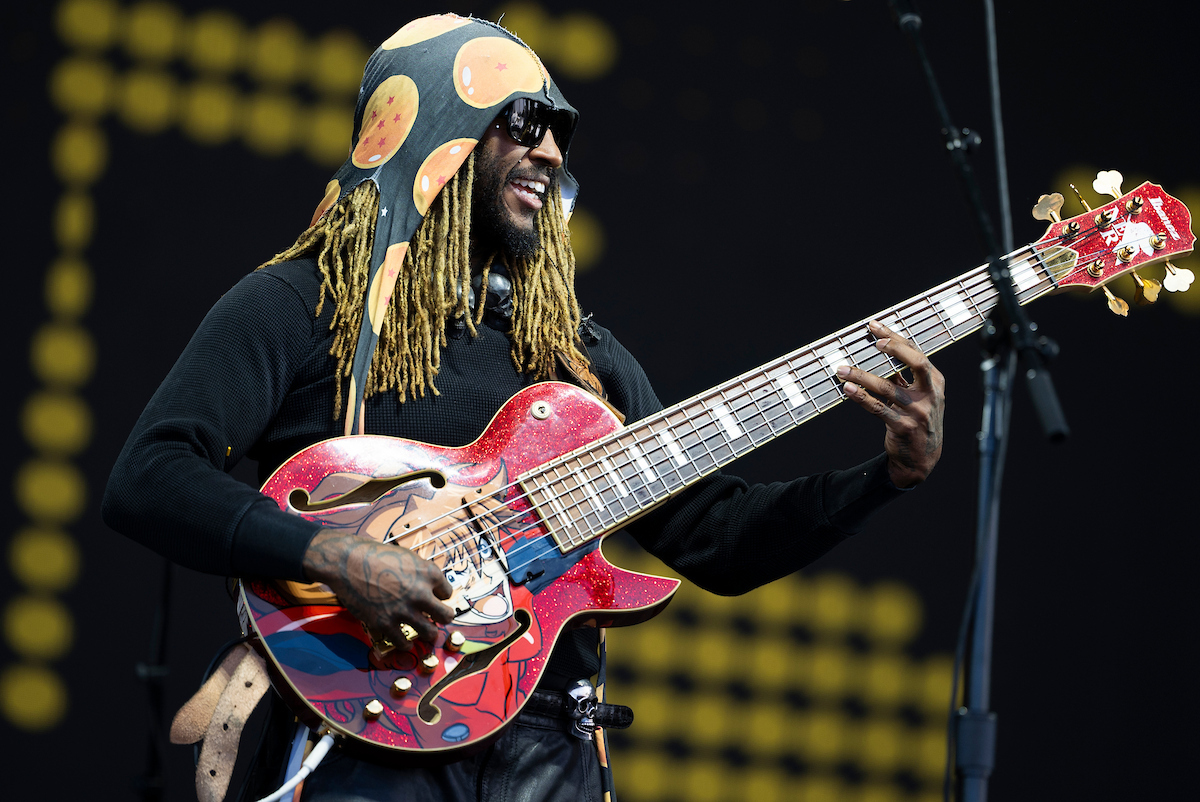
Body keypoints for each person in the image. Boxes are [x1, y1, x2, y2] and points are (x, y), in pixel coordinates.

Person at [102, 13, 945, 802]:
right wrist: (332, 555)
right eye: (521, 122)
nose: (548, 151)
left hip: (549, 758)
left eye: (559, 132)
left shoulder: (578, 358)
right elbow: (150, 476)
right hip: (360, 742)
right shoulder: (302, 305)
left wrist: (888, 477)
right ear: (438, 131)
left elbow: (716, 540)